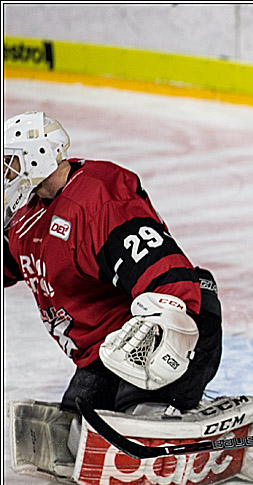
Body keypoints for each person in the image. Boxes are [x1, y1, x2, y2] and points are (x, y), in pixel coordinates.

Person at [4, 111, 222, 419]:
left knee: (135, 427)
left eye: (9, 163)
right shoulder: (25, 217)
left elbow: (171, 280)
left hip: (170, 333)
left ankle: (176, 415)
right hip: (110, 352)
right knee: (72, 438)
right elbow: (11, 261)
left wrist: (168, 344)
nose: (5, 174)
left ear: (36, 155)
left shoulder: (97, 197)